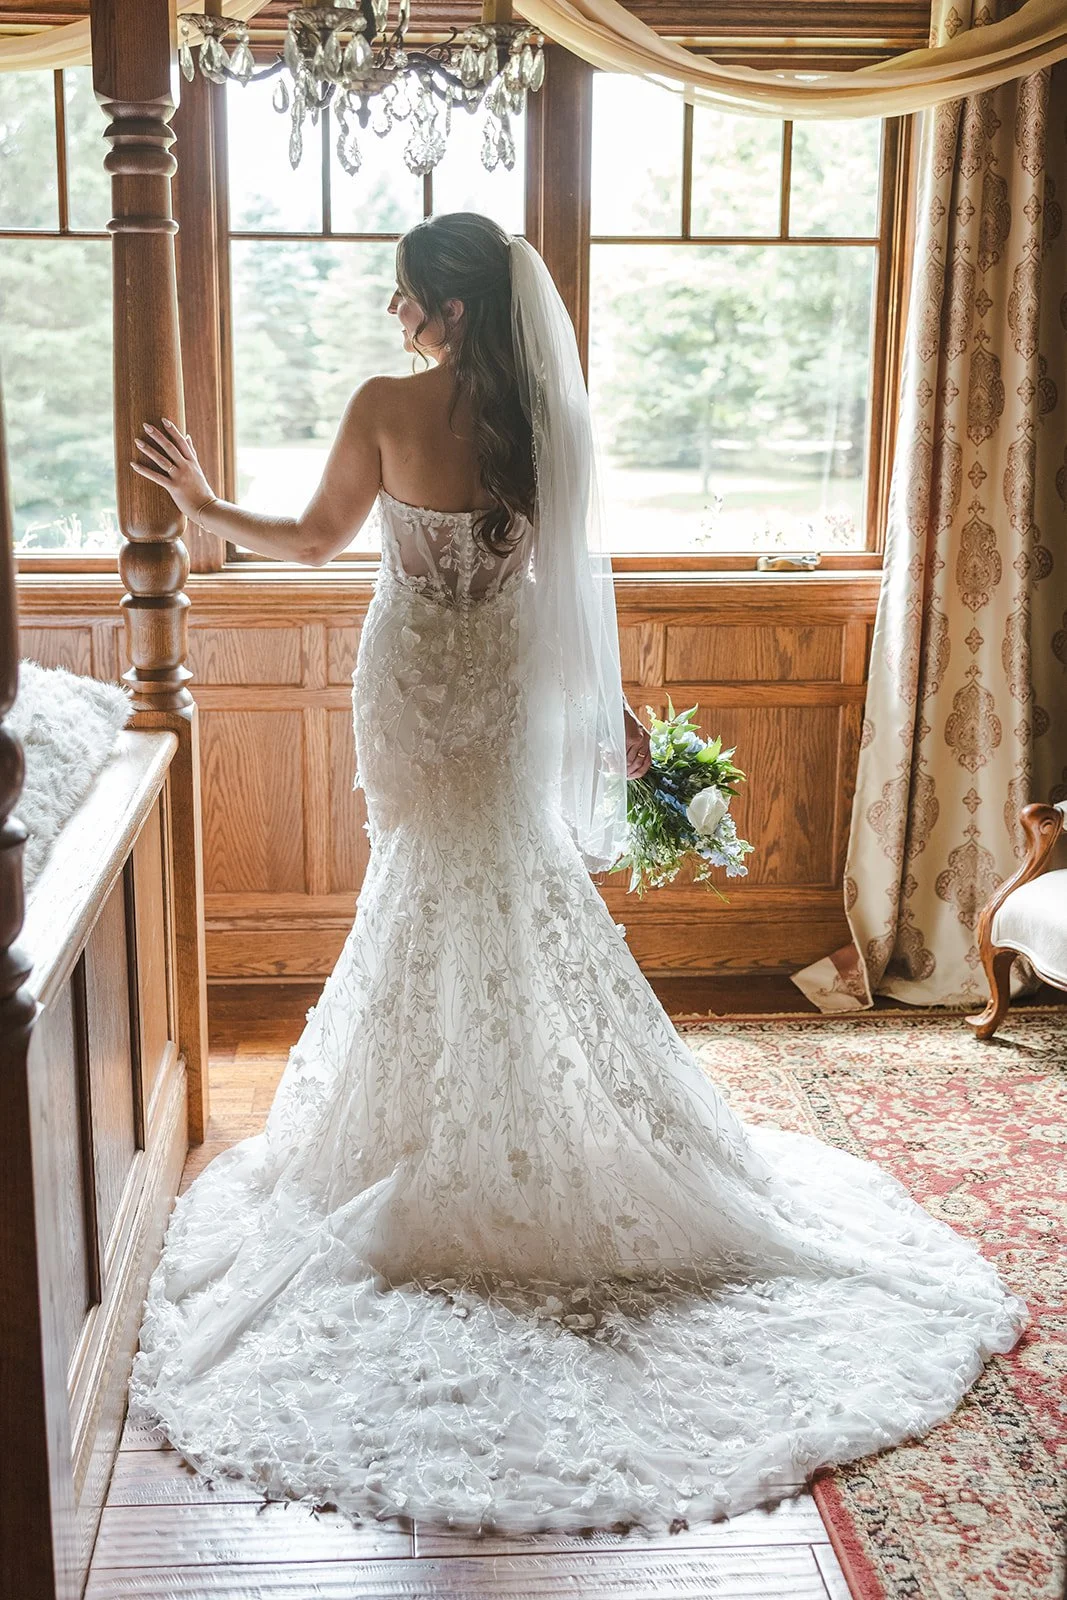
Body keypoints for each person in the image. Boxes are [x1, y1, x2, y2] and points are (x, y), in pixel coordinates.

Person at [129, 212, 1027, 1535]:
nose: (390, 316)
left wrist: (199, 502)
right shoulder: (545, 424)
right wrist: (625, 731)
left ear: (442, 305)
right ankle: (507, 1116)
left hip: (409, 687)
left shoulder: (386, 404)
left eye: (402, 296)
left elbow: (314, 543)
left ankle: (436, 1128)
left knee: (427, 882)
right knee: (496, 881)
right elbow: (562, 599)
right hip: (488, 690)